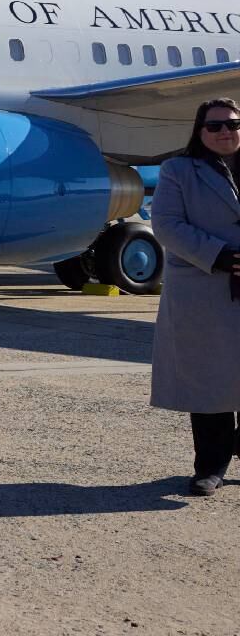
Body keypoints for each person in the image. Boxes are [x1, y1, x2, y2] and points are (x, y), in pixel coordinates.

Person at [150, 97, 240, 497]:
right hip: (207, 288)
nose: (225, 132)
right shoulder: (179, 170)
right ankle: (211, 466)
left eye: (233, 124)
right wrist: (219, 255)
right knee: (210, 383)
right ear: (200, 132)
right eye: (215, 126)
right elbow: (167, 224)